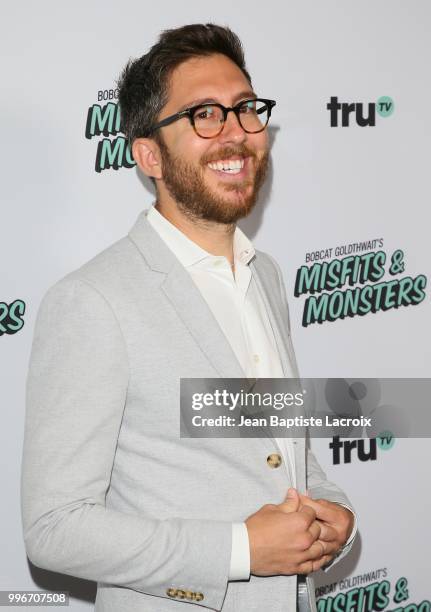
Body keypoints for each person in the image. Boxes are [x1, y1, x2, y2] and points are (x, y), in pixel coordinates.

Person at [21, 23, 356, 612]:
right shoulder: (93, 300)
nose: (236, 133)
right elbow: (54, 527)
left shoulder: (266, 275)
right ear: (149, 154)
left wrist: (333, 513)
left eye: (246, 109)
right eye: (205, 115)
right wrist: (238, 550)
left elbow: (276, 452)